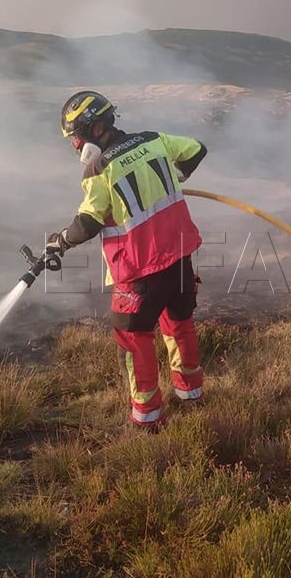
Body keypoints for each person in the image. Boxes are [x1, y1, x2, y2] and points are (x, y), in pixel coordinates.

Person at [46, 91, 208, 429]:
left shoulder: (98, 168)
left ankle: (147, 419)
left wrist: (61, 240)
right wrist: (178, 176)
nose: (75, 146)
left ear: (98, 127)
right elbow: (196, 149)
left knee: (133, 338)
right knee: (179, 322)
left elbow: (89, 221)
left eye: (77, 136)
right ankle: (191, 394)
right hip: (179, 256)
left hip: (139, 267)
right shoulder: (154, 140)